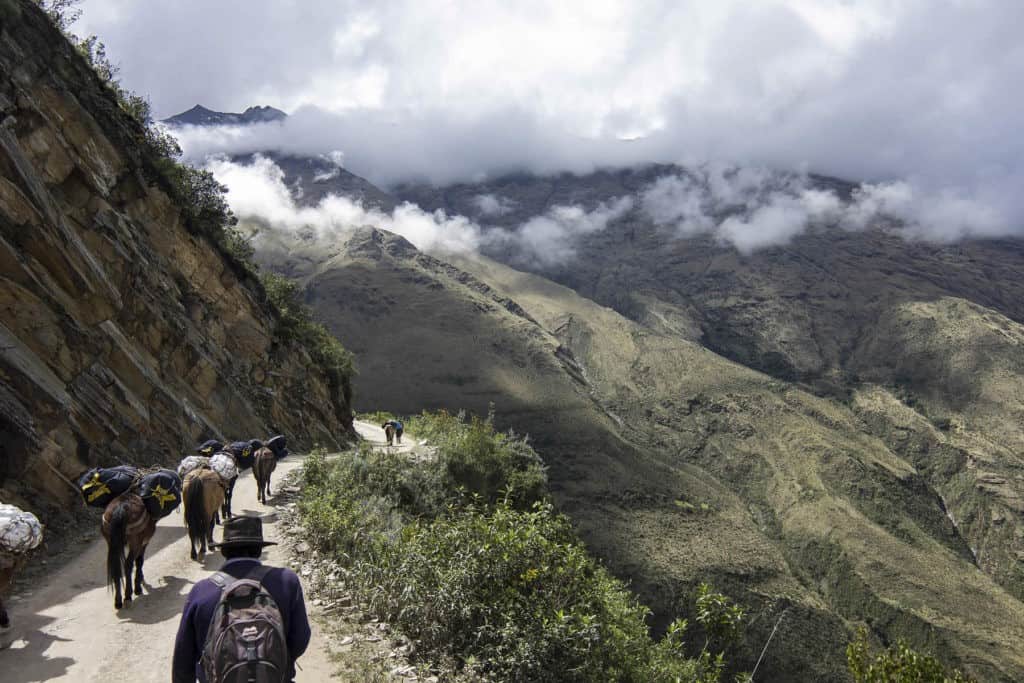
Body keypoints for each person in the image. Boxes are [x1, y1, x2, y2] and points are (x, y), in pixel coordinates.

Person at [172, 516, 311, 683]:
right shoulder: (287, 582)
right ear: (259, 550)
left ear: (224, 551)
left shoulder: (201, 592)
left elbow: (182, 661)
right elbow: (301, 639)